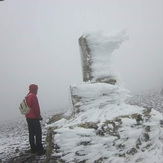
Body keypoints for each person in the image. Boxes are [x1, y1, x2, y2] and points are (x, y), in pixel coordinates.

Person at [26, 84, 46, 155]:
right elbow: (36, 108)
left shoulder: (28, 95)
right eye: (37, 88)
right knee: (38, 133)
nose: (37, 90)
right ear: (35, 89)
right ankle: (40, 150)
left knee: (31, 133)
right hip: (34, 117)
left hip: (28, 117)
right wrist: (38, 116)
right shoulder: (33, 96)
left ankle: (33, 148)